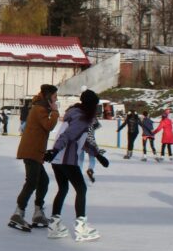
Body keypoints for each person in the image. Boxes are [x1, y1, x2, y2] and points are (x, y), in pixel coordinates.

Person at [44, 89, 109, 242]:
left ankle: (54, 226)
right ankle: (81, 227)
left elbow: (83, 141)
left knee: (63, 189)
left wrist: (97, 154)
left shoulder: (75, 114)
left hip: (58, 160)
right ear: (91, 105)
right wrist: (54, 151)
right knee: (81, 189)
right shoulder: (81, 118)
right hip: (66, 159)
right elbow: (68, 136)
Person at [9, 84, 60, 232]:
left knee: (43, 181)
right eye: (55, 97)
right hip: (31, 151)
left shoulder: (40, 108)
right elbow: (49, 125)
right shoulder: (39, 109)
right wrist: (55, 112)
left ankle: (38, 213)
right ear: (48, 97)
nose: (56, 100)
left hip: (35, 151)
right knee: (31, 182)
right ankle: (18, 213)